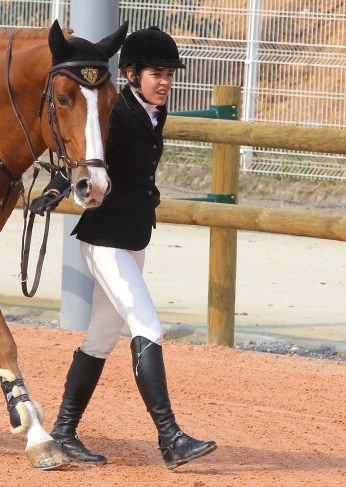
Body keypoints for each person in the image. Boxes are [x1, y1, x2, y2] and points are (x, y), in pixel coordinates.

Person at [29, 26, 217, 470]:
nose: (166, 81)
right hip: (105, 241)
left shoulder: (154, 111)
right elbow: (86, 150)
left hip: (132, 239)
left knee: (99, 338)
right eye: (157, 73)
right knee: (148, 327)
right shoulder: (115, 110)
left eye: (170, 73)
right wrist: (59, 188)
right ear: (130, 74)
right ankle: (170, 438)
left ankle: (62, 433)